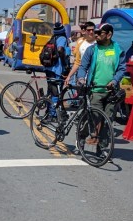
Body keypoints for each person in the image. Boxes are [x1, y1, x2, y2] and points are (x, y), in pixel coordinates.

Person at [76, 23, 126, 154]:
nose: (96, 35)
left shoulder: (118, 49)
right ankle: (81, 139)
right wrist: (81, 78)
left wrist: (115, 80)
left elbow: (122, 69)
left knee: (108, 121)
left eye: (100, 33)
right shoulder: (92, 50)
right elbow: (82, 67)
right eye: (95, 32)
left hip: (111, 92)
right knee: (93, 118)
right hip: (95, 91)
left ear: (109, 35)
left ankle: (102, 148)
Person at [46, 22, 70, 111]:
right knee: (56, 92)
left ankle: (48, 111)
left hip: (49, 68)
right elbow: (60, 50)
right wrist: (65, 65)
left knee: (51, 91)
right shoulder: (62, 38)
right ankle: (53, 114)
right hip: (57, 69)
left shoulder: (53, 38)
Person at [65, 21, 97, 87]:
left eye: (92, 30)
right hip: (83, 79)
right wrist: (69, 76)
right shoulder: (81, 43)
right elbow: (77, 62)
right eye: (88, 30)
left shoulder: (98, 43)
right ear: (85, 31)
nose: (91, 32)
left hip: (96, 78)